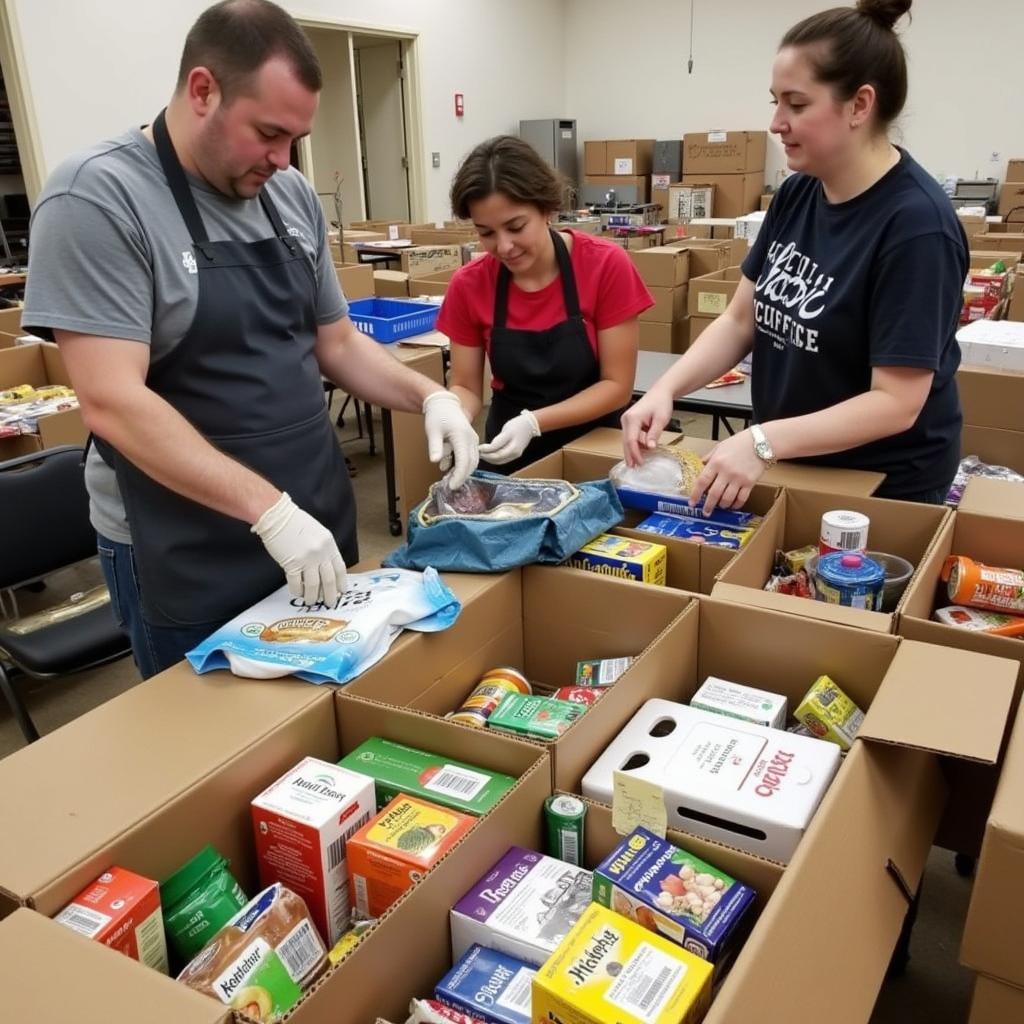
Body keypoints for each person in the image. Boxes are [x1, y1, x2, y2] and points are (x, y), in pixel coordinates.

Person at [22, 0, 478, 679]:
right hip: (183, 542)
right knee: (208, 752)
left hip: (309, 519)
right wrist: (268, 513)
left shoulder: (287, 194)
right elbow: (112, 401)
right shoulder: (98, 198)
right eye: (267, 132)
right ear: (202, 90)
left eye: (296, 137)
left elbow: (338, 345)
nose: (283, 158)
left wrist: (430, 397)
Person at [622, 0, 966, 516]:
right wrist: (663, 389)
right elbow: (741, 319)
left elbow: (896, 402)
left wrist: (762, 441)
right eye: (775, 101)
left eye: (796, 104)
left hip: (878, 485)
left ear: (859, 105)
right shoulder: (798, 193)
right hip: (794, 456)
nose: (777, 123)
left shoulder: (916, 228)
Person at [437, 135, 653, 474]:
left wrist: (535, 422)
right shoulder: (469, 284)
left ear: (548, 209)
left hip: (594, 447)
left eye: (516, 226)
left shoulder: (605, 265)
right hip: (510, 453)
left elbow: (617, 385)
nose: (504, 246)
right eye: (486, 233)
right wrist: (455, 418)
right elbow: (465, 385)